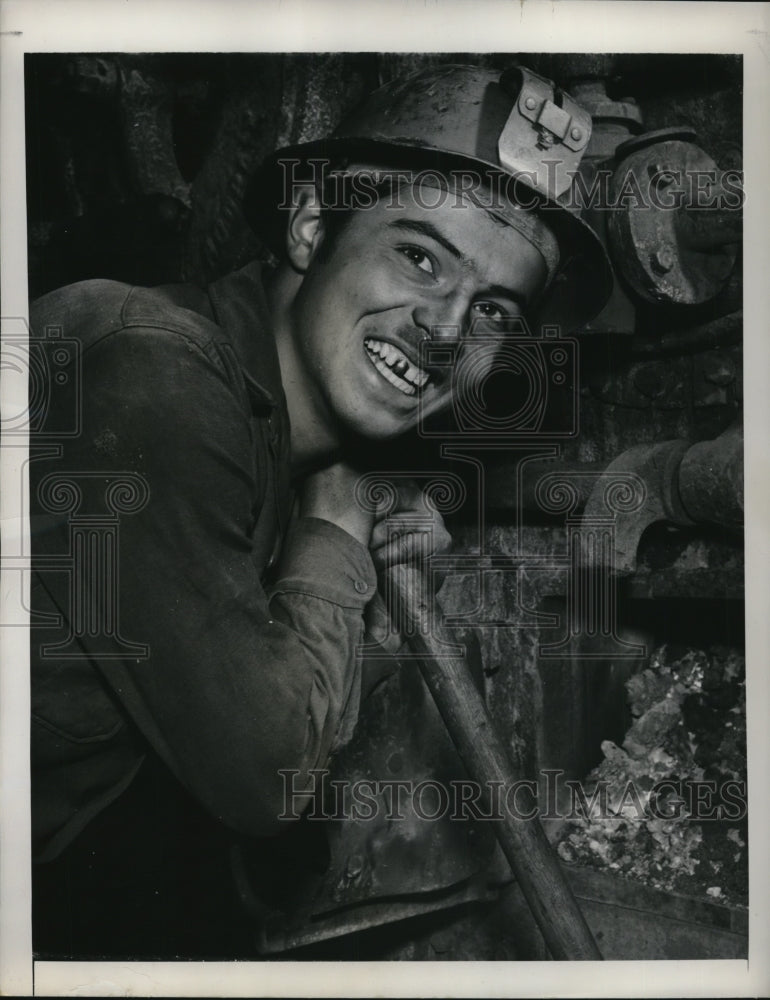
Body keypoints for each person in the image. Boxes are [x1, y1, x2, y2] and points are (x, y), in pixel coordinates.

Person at [29, 63, 611, 957]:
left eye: (493, 310)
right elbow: (265, 780)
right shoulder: (149, 369)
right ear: (310, 227)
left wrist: (355, 567)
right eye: (419, 256)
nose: (447, 331)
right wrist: (338, 534)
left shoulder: (274, 443)